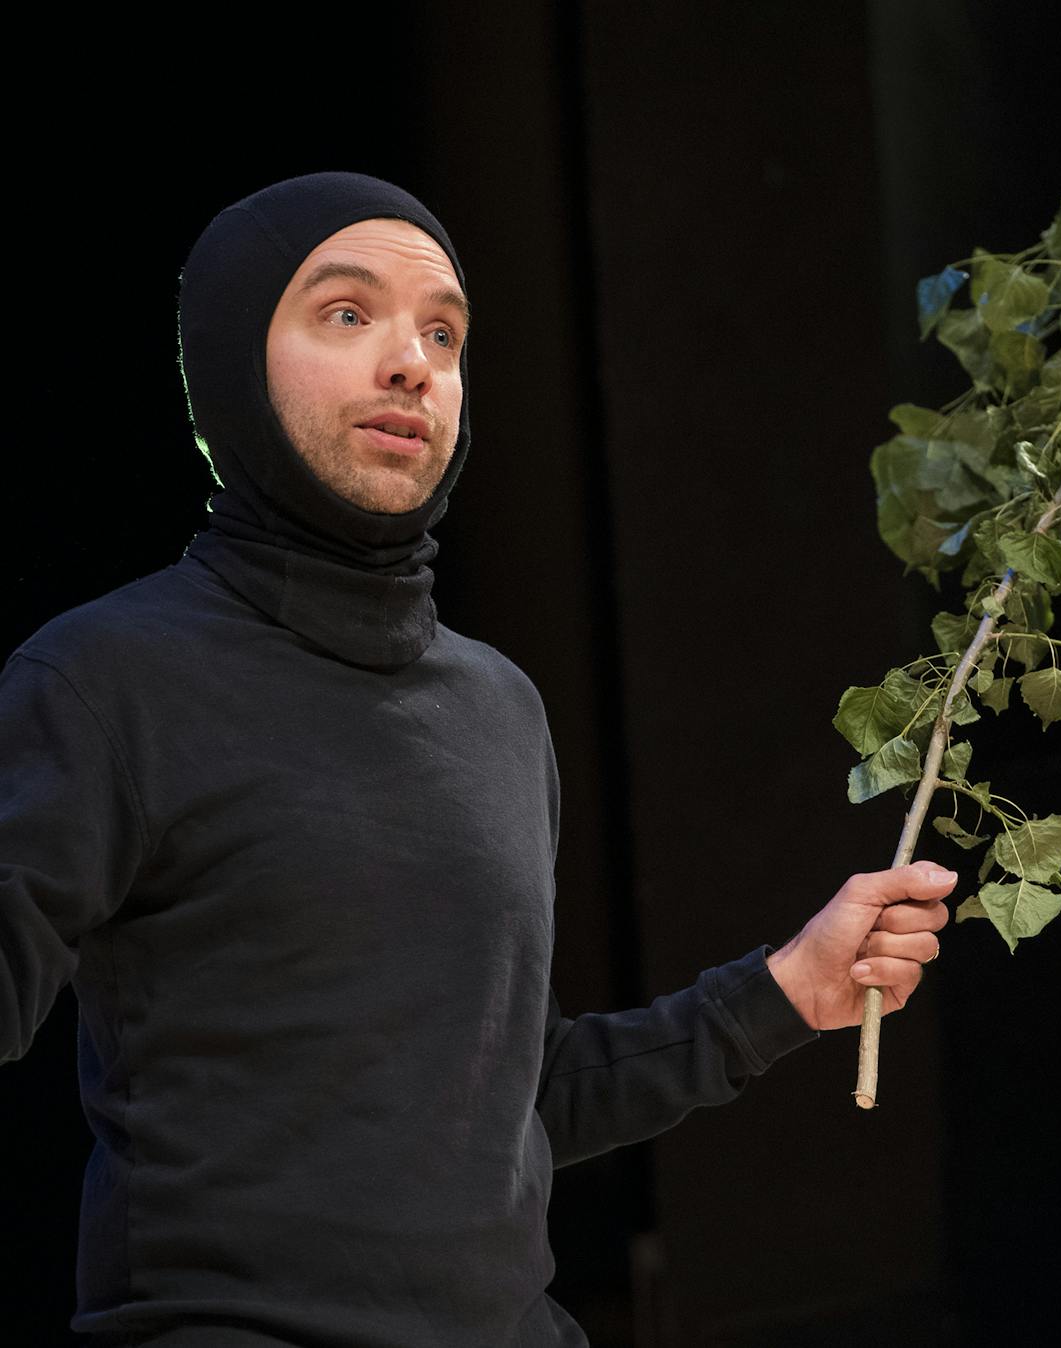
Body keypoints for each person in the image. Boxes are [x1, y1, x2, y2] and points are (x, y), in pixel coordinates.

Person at [0, 173, 953, 1346]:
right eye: (345, 314)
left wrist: (783, 993)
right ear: (229, 362)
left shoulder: (495, 708)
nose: (410, 361)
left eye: (441, 331)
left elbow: (514, 1096)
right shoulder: (103, 681)